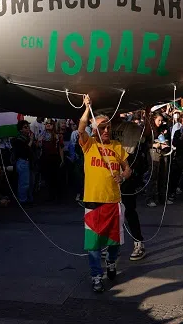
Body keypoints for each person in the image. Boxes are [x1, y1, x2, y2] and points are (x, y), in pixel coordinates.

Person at [78, 95, 131, 293]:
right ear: (95, 130)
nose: (106, 130)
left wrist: (123, 177)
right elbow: (81, 127)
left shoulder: (117, 146)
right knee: (93, 243)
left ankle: (110, 262)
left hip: (113, 200)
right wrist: (87, 108)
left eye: (108, 127)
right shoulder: (89, 144)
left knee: (114, 241)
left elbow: (128, 169)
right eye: (102, 127)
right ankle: (96, 276)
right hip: (93, 201)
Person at [111, 114, 151, 261]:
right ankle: (111, 244)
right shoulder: (104, 126)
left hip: (126, 174)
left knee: (129, 210)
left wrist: (147, 112)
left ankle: (138, 242)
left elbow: (146, 133)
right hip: (109, 175)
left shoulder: (130, 127)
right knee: (110, 211)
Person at [11, 121, 35, 204]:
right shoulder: (18, 140)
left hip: (30, 162)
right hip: (23, 162)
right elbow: (24, 151)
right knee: (24, 183)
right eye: (25, 127)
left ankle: (29, 198)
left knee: (31, 182)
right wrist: (31, 141)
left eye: (28, 126)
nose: (28, 128)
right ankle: (22, 200)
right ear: (21, 130)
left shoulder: (28, 138)